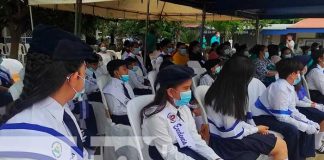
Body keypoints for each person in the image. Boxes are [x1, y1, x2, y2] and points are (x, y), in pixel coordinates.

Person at [0, 25, 94, 159]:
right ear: (75, 76)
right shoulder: (28, 139)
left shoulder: (61, 110)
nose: (86, 77)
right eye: (85, 70)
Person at [205, 56, 288, 160]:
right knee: (281, 146)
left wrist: (254, 129)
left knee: (277, 141)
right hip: (229, 143)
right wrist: (256, 129)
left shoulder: (216, 90)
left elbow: (236, 124)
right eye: (249, 77)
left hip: (221, 139)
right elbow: (233, 133)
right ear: (241, 78)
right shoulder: (230, 99)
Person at [141, 65, 221, 160]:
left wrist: (215, 158)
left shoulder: (183, 108)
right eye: (186, 88)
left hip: (183, 145)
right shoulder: (156, 117)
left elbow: (194, 137)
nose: (190, 91)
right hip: (162, 153)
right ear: (171, 92)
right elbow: (168, 154)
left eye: (190, 88)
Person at [253, 59, 320, 160]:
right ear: (292, 74)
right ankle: (294, 157)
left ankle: (302, 156)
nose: (299, 75)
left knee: (306, 127)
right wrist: (304, 126)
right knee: (292, 130)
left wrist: (308, 122)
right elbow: (282, 117)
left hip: (273, 115)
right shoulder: (279, 88)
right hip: (261, 117)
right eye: (298, 72)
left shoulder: (289, 86)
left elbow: (292, 110)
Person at [293, 59, 324, 153]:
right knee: (322, 116)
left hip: (304, 104)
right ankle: (317, 144)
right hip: (297, 107)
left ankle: (319, 139)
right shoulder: (291, 83)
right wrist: (312, 105)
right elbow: (296, 102)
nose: (305, 69)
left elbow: (303, 97)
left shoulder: (298, 81)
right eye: (299, 71)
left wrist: (314, 104)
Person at [103, 59, 134, 126]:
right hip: (120, 118)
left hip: (130, 113)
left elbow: (132, 98)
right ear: (116, 73)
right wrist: (133, 109)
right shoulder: (109, 89)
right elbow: (115, 111)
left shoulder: (125, 83)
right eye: (124, 69)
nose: (127, 71)